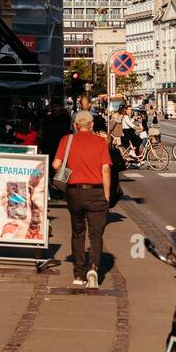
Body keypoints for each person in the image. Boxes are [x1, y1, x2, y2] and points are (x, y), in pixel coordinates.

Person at [53, 110, 111, 288]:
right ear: (92, 125)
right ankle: (93, 267)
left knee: (78, 232)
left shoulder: (66, 140)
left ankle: (78, 274)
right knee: (96, 234)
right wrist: (107, 194)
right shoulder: (101, 142)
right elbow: (106, 170)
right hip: (96, 192)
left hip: (74, 192)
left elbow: (56, 164)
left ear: (75, 126)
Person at [39, 95, 71, 166]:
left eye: (56, 106)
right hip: (48, 146)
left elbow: (68, 132)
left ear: (60, 107)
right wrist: (41, 145)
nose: (55, 108)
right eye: (53, 106)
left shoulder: (65, 118)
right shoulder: (47, 118)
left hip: (61, 146)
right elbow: (42, 132)